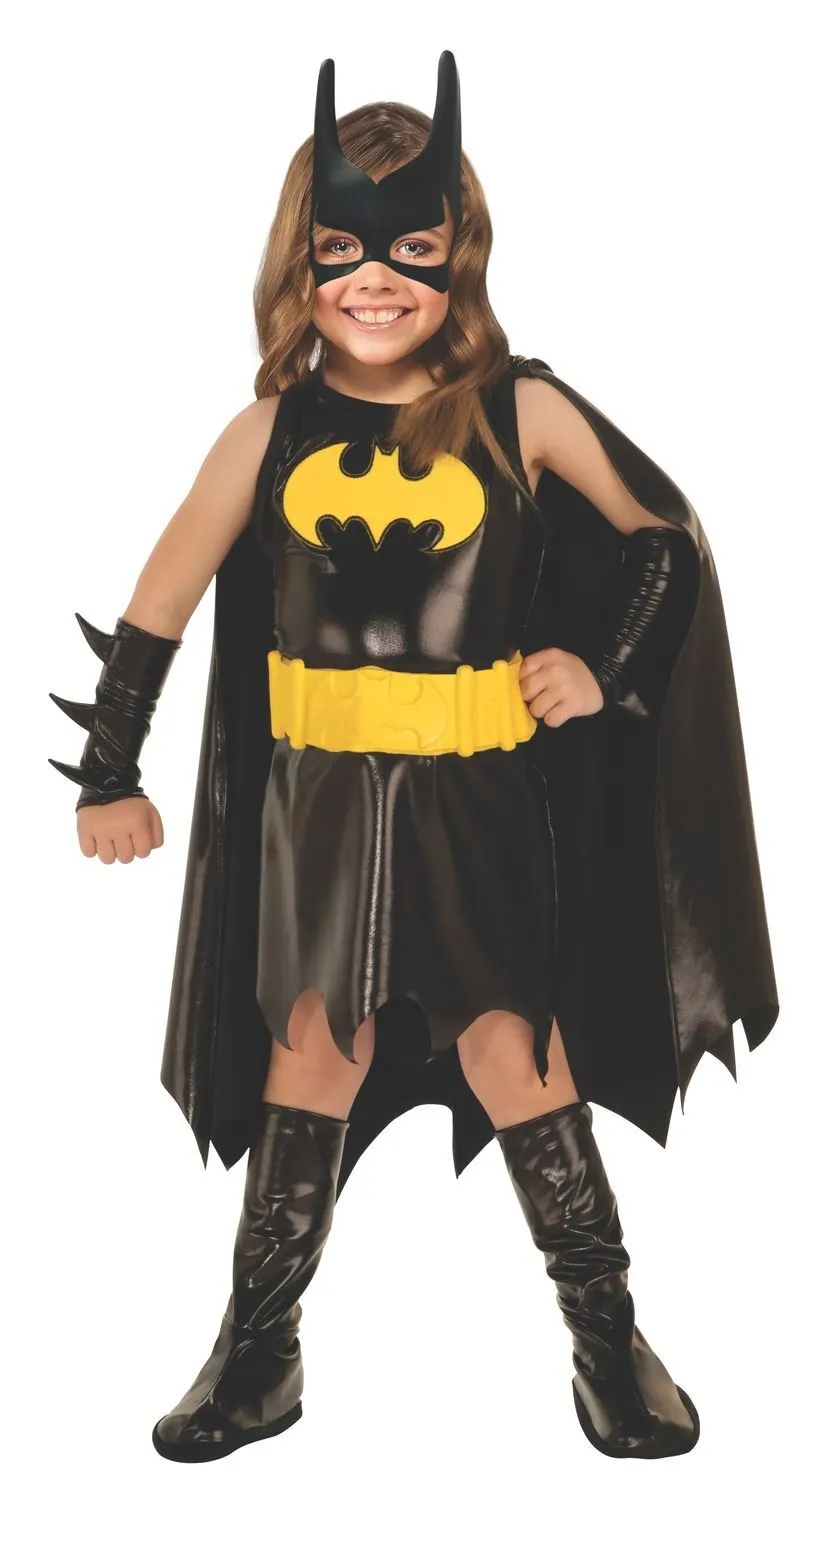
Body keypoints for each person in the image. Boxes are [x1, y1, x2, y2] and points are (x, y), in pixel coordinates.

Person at [49, 51, 778, 1464]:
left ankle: (607, 1338)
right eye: (342, 251)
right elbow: (160, 602)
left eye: (412, 252)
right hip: (319, 802)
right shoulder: (270, 433)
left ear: (461, 257)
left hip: (477, 795)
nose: (375, 280)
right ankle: (258, 1351)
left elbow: (660, 542)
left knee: (512, 1046)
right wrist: (110, 773)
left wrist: (604, 667)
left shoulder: (522, 411)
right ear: (301, 261)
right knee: (311, 1045)